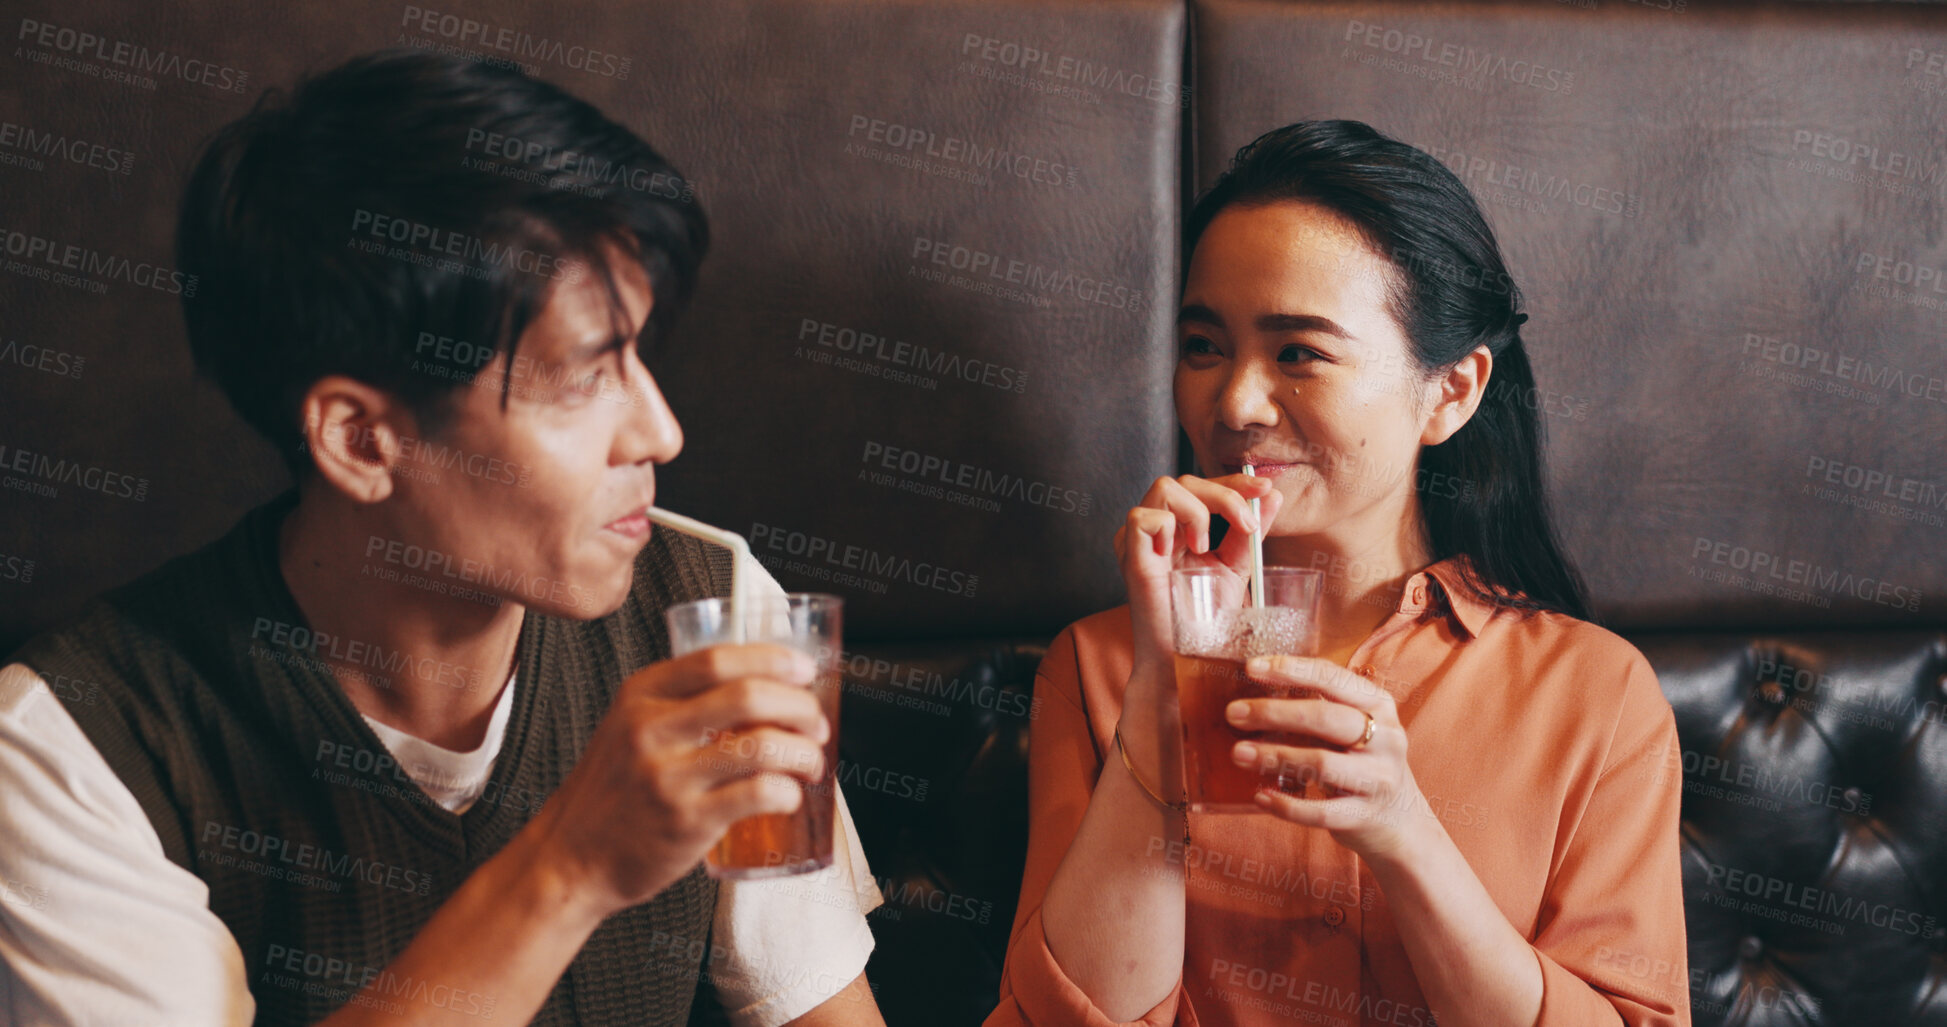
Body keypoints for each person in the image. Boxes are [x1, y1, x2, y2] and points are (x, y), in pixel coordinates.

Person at [0, 50, 885, 1027]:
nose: (660, 432)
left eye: (640, 353)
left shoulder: (708, 600)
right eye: (585, 375)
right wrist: (570, 863)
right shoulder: (71, 748)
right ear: (362, 439)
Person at [986, 120, 1688, 1027]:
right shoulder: (1094, 666)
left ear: (1453, 391)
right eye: (1204, 346)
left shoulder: (1594, 692)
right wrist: (1162, 709)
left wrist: (1402, 830)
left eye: (1299, 353)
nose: (1234, 403)